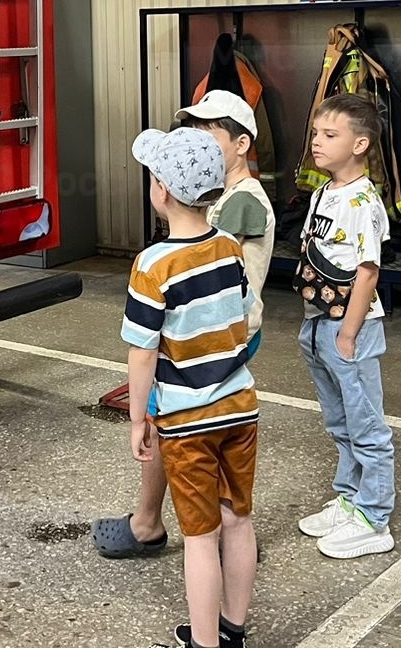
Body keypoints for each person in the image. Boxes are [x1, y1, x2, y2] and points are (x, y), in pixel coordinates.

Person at [92, 91, 274, 562]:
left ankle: (174, 528)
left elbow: (198, 258)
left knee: (175, 419)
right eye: (191, 126)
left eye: (207, 128)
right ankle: (159, 521)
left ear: (240, 143)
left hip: (217, 335)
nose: (195, 136)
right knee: (170, 418)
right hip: (209, 330)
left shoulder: (241, 202)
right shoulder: (217, 199)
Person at [123, 127, 258, 648]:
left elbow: (142, 351)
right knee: (238, 520)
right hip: (240, 410)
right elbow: (242, 321)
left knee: (200, 539)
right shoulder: (228, 248)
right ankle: (232, 632)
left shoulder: (153, 265)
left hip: (188, 422)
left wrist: (139, 417)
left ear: (160, 190)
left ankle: (204, 645)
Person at [294, 94, 397, 559]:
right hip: (319, 324)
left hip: (349, 330)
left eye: (329, 135)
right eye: (316, 133)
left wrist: (349, 334)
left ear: (360, 144)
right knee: (340, 422)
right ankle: (349, 497)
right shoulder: (322, 191)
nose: (317, 141)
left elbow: (367, 272)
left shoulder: (362, 200)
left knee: (367, 425)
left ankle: (375, 517)